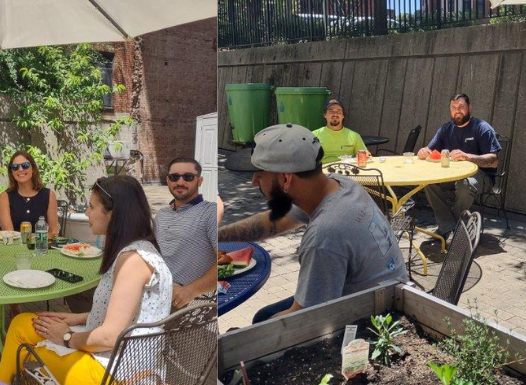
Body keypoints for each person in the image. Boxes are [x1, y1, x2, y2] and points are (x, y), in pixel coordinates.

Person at [0, 175, 173, 385]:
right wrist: (79, 318)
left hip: (116, 381)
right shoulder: (137, 250)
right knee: (21, 323)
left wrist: (67, 337)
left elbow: (110, 337)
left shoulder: (133, 261)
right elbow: (127, 313)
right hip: (114, 364)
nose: (87, 213)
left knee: (23, 349)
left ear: (113, 213)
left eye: (91, 207)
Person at [220, 124, 407, 323]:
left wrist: (243, 339)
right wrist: (218, 236)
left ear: (285, 179)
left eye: (259, 175)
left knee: (260, 325)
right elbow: (274, 221)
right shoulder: (339, 184)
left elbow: (305, 319)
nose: (253, 183)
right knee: (264, 316)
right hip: (383, 293)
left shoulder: (325, 235)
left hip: (375, 320)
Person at [416, 93, 500, 237]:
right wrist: (424, 151)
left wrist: (468, 157)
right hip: (452, 174)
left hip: (481, 176)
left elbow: (494, 161)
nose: (457, 110)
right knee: (427, 181)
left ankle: (448, 228)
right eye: (453, 107)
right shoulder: (445, 129)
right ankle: (449, 227)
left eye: (461, 106)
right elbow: (430, 150)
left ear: (470, 108)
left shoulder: (482, 128)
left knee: (465, 184)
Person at [154, 156, 217, 310]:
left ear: (199, 181)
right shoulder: (162, 214)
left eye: (188, 177)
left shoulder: (210, 212)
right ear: (168, 180)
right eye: (174, 177)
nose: (180, 182)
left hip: (191, 306)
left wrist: (191, 290)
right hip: (157, 297)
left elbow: (226, 261)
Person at [0, 149, 58, 235]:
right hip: (13, 247)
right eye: (15, 167)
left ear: (33, 169)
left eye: (25, 165)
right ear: (11, 172)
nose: (20, 169)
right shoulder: (5, 197)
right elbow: (9, 233)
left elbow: (53, 231)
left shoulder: (49, 195)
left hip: (40, 246)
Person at [313, 98, 366, 163]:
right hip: (323, 171)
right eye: (331, 111)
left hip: (347, 170)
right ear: (325, 115)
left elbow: (363, 155)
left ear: (343, 116)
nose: (335, 114)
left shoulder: (354, 136)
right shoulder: (314, 135)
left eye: (339, 112)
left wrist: (365, 155)